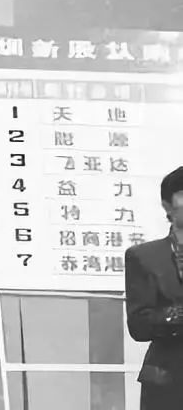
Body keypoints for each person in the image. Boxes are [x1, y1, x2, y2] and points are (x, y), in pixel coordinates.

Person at [125, 166, 183, 409]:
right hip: (169, 382)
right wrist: (177, 314)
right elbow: (139, 325)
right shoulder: (145, 256)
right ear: (167, 206)